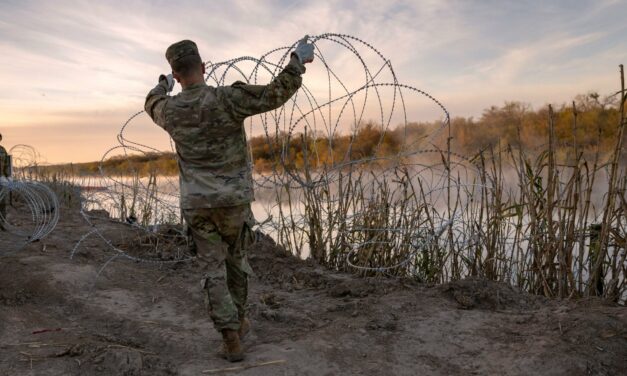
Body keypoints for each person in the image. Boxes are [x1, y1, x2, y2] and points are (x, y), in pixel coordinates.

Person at [145, 37, 314, 362]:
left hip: (198, 206)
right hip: (234, 202)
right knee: (236, 263)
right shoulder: (228, 99)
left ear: (176, 75)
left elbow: (151, 101)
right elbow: (276, 93)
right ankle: (237, 322)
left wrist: (161, 85)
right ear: (204, 68)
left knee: (212, 269)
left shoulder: (170, 110)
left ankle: (231, 336)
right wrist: (297, 61)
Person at [0, 133, 11, 231]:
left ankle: (2, 223)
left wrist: (8, 176)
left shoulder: (3, 150)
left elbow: (7, 164)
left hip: (1, 178)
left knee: (2, 202)